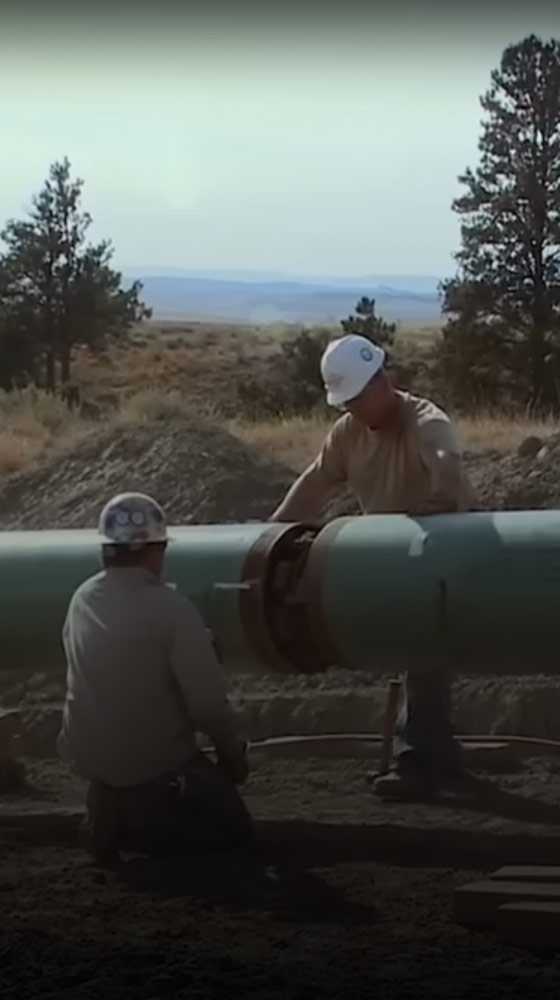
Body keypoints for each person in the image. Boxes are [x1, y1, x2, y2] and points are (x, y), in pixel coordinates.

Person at [271, 334, 477, 801]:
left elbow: (446, 458)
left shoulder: (426, 421)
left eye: (359, 398)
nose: (353, 410)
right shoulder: (348, 433)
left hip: (447, 552)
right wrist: (271, 533)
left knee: (422, 642)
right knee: (416, 651)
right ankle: (438, 752)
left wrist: (441, 499)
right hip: (393, 560)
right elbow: (315, 483)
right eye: (346, 403)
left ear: (384, 380)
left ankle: (418, 760)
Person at [57, 491, 252, 862]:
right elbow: (208, 705)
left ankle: (110, 803)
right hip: (154, 763)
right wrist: (232, 756)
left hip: (89, 756)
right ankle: (143, 824)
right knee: (233, 830)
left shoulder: (82, 599)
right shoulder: (172, 609)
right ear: (154, 551)